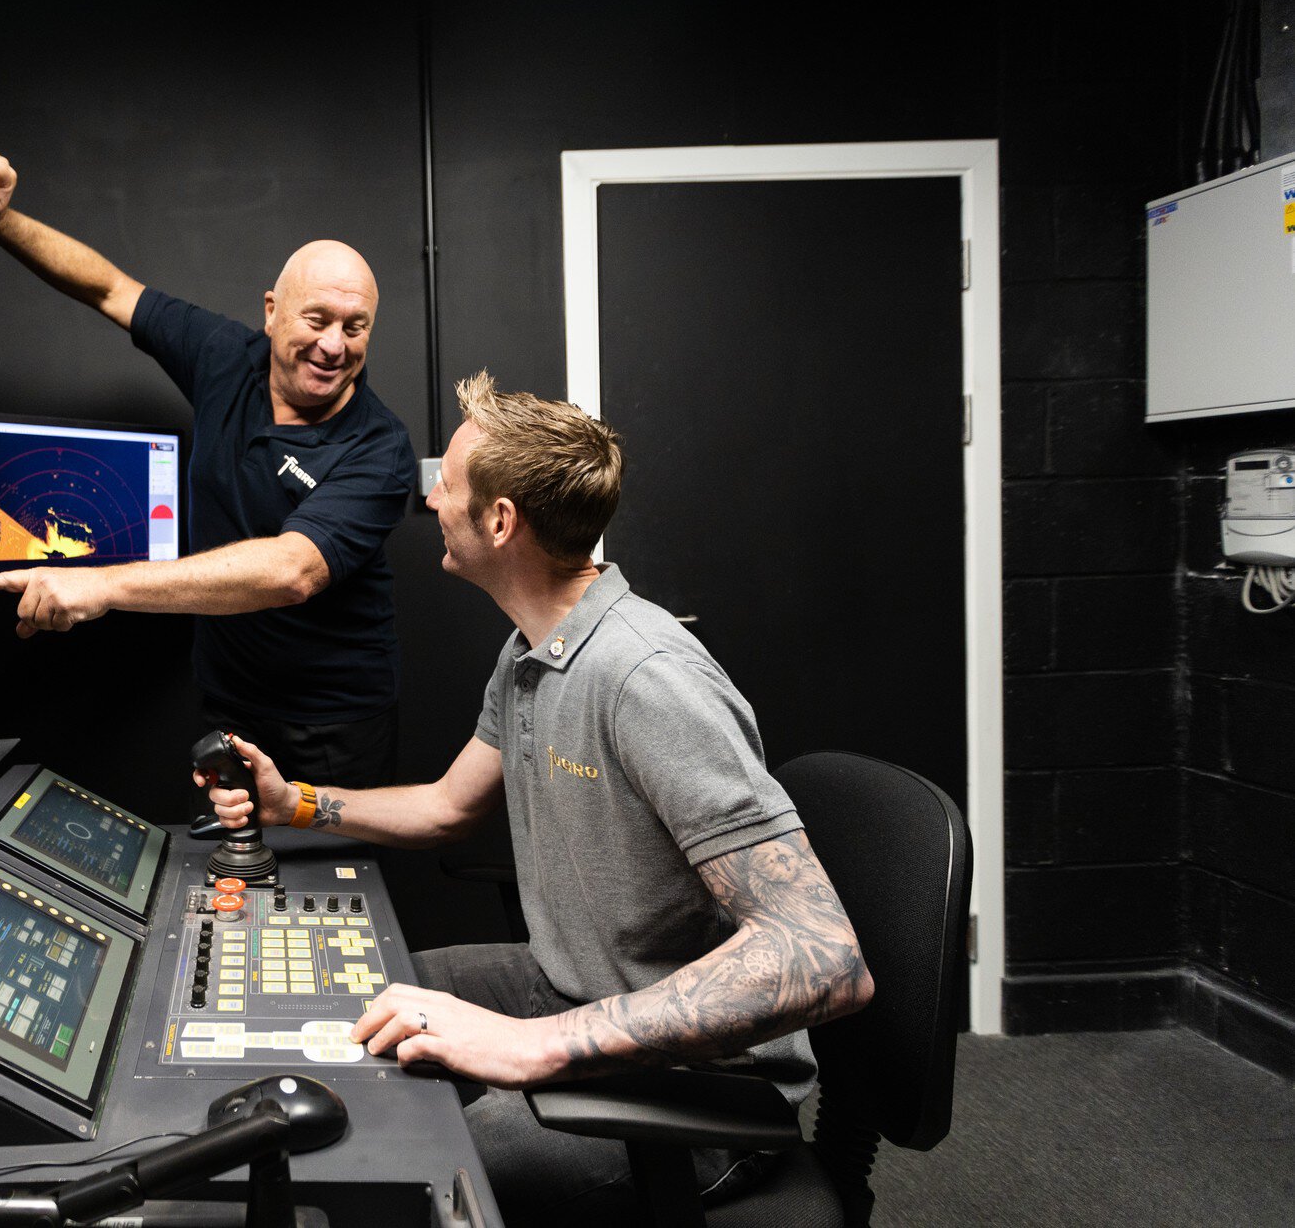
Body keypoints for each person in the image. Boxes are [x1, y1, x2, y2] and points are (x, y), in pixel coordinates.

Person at [195, 371, 874, 1220]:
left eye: (448, 481)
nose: (432, 495)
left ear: (501, 520)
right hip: (569, 983)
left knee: (393, 1173)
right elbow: (448, 806)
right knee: (352, 1006)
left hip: (694, 1089)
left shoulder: (644, 679)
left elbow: (825, 956)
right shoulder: (535, 646)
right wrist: (294, 801)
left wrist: (529, 1044)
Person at [0, 142, 417, 789]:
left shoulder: (380, 446)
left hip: (334, 725)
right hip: (229, 704)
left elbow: (292, 570)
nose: (333, 345)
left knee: (326, 888)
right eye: (316, 319)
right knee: (230, 883)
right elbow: (110, 289)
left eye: (355, 326)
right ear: (271, 312)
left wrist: (100, 584)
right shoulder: (225, 357)